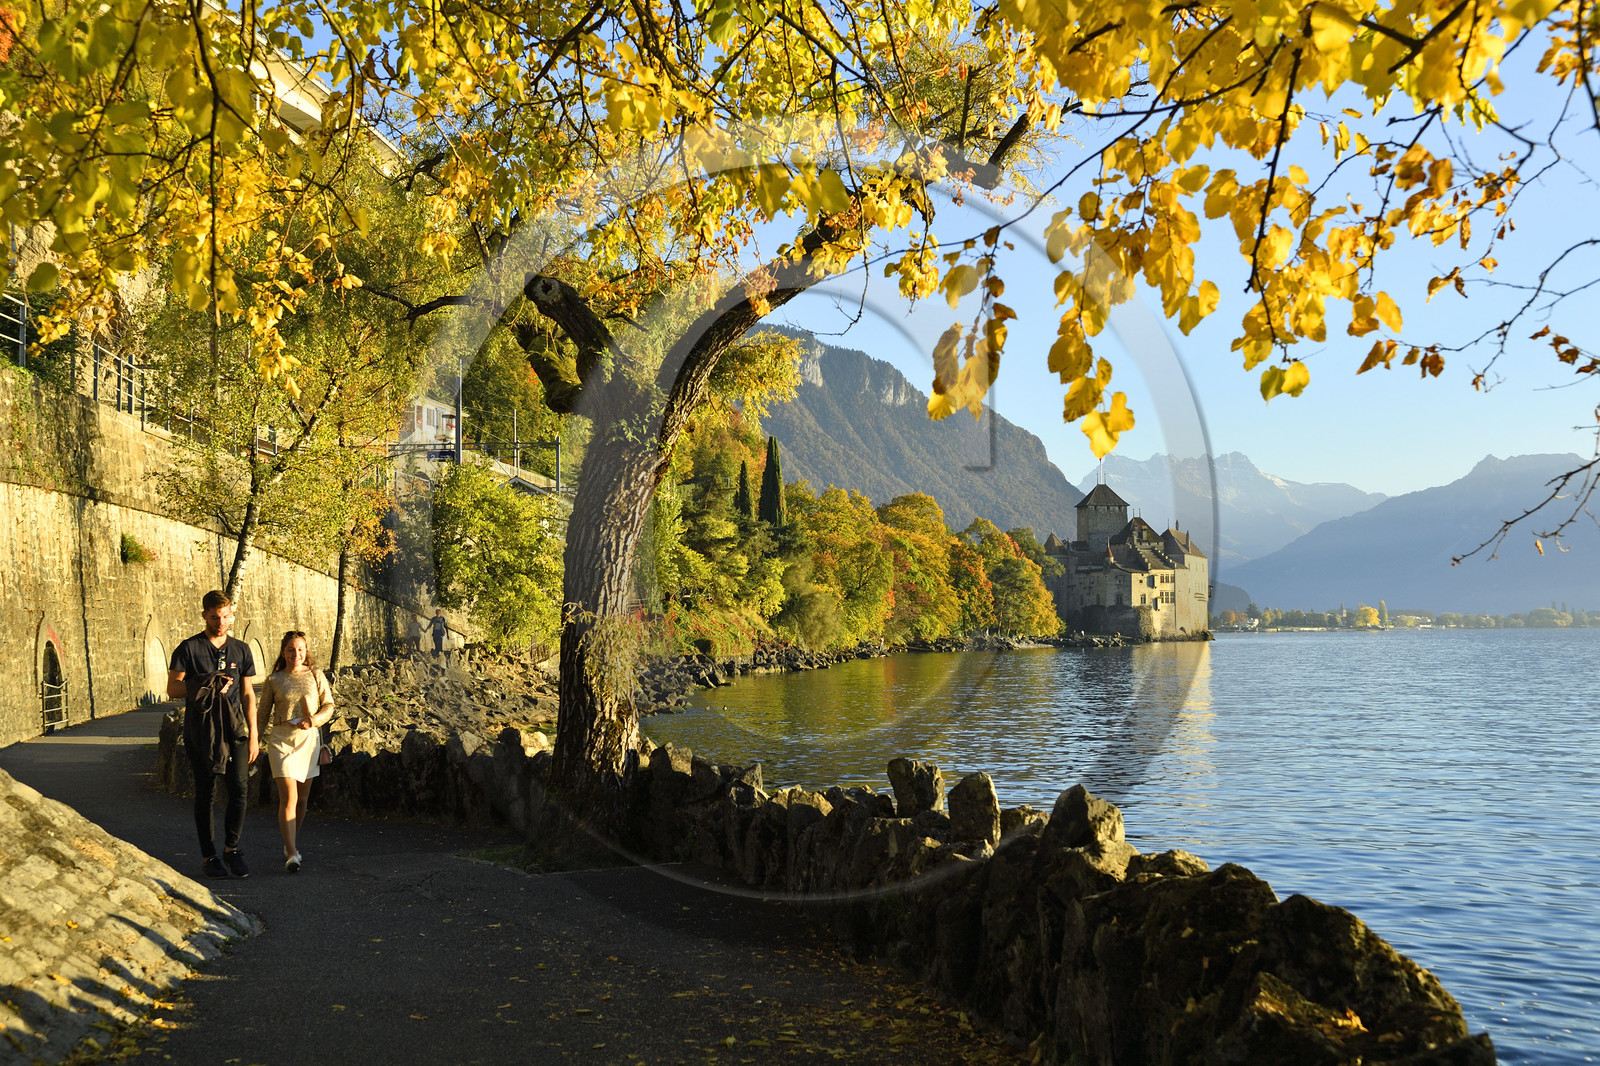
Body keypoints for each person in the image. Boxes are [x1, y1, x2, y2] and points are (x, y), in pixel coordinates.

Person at [167, 590, 258, 879]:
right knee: (206, 793)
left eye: (226, 616)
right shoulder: (189, 648)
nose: (221, 622)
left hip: (234, 729)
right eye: (215, 617)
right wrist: (206, 682)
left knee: (240, 789)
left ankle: (232, 849)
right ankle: (209, 857)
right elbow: (173, 688)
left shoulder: (241, 649)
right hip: (201, 730)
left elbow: (248, 694)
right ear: (204, 615)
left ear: (232, 615)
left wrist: (254, 735)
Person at [257, 630, 336, 873]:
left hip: (308, 740)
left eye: (300, 649)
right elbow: (262, 713)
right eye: (291, 649)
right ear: (284, 652)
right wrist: (254, 742)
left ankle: (290, 842)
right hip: (281, 740)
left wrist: (312, 720)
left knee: (302, 799)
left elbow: (329, 705)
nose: (296, 654)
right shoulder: (274, 680)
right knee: (289, 798)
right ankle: (292, 853)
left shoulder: (315, 674)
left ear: (306, 651)